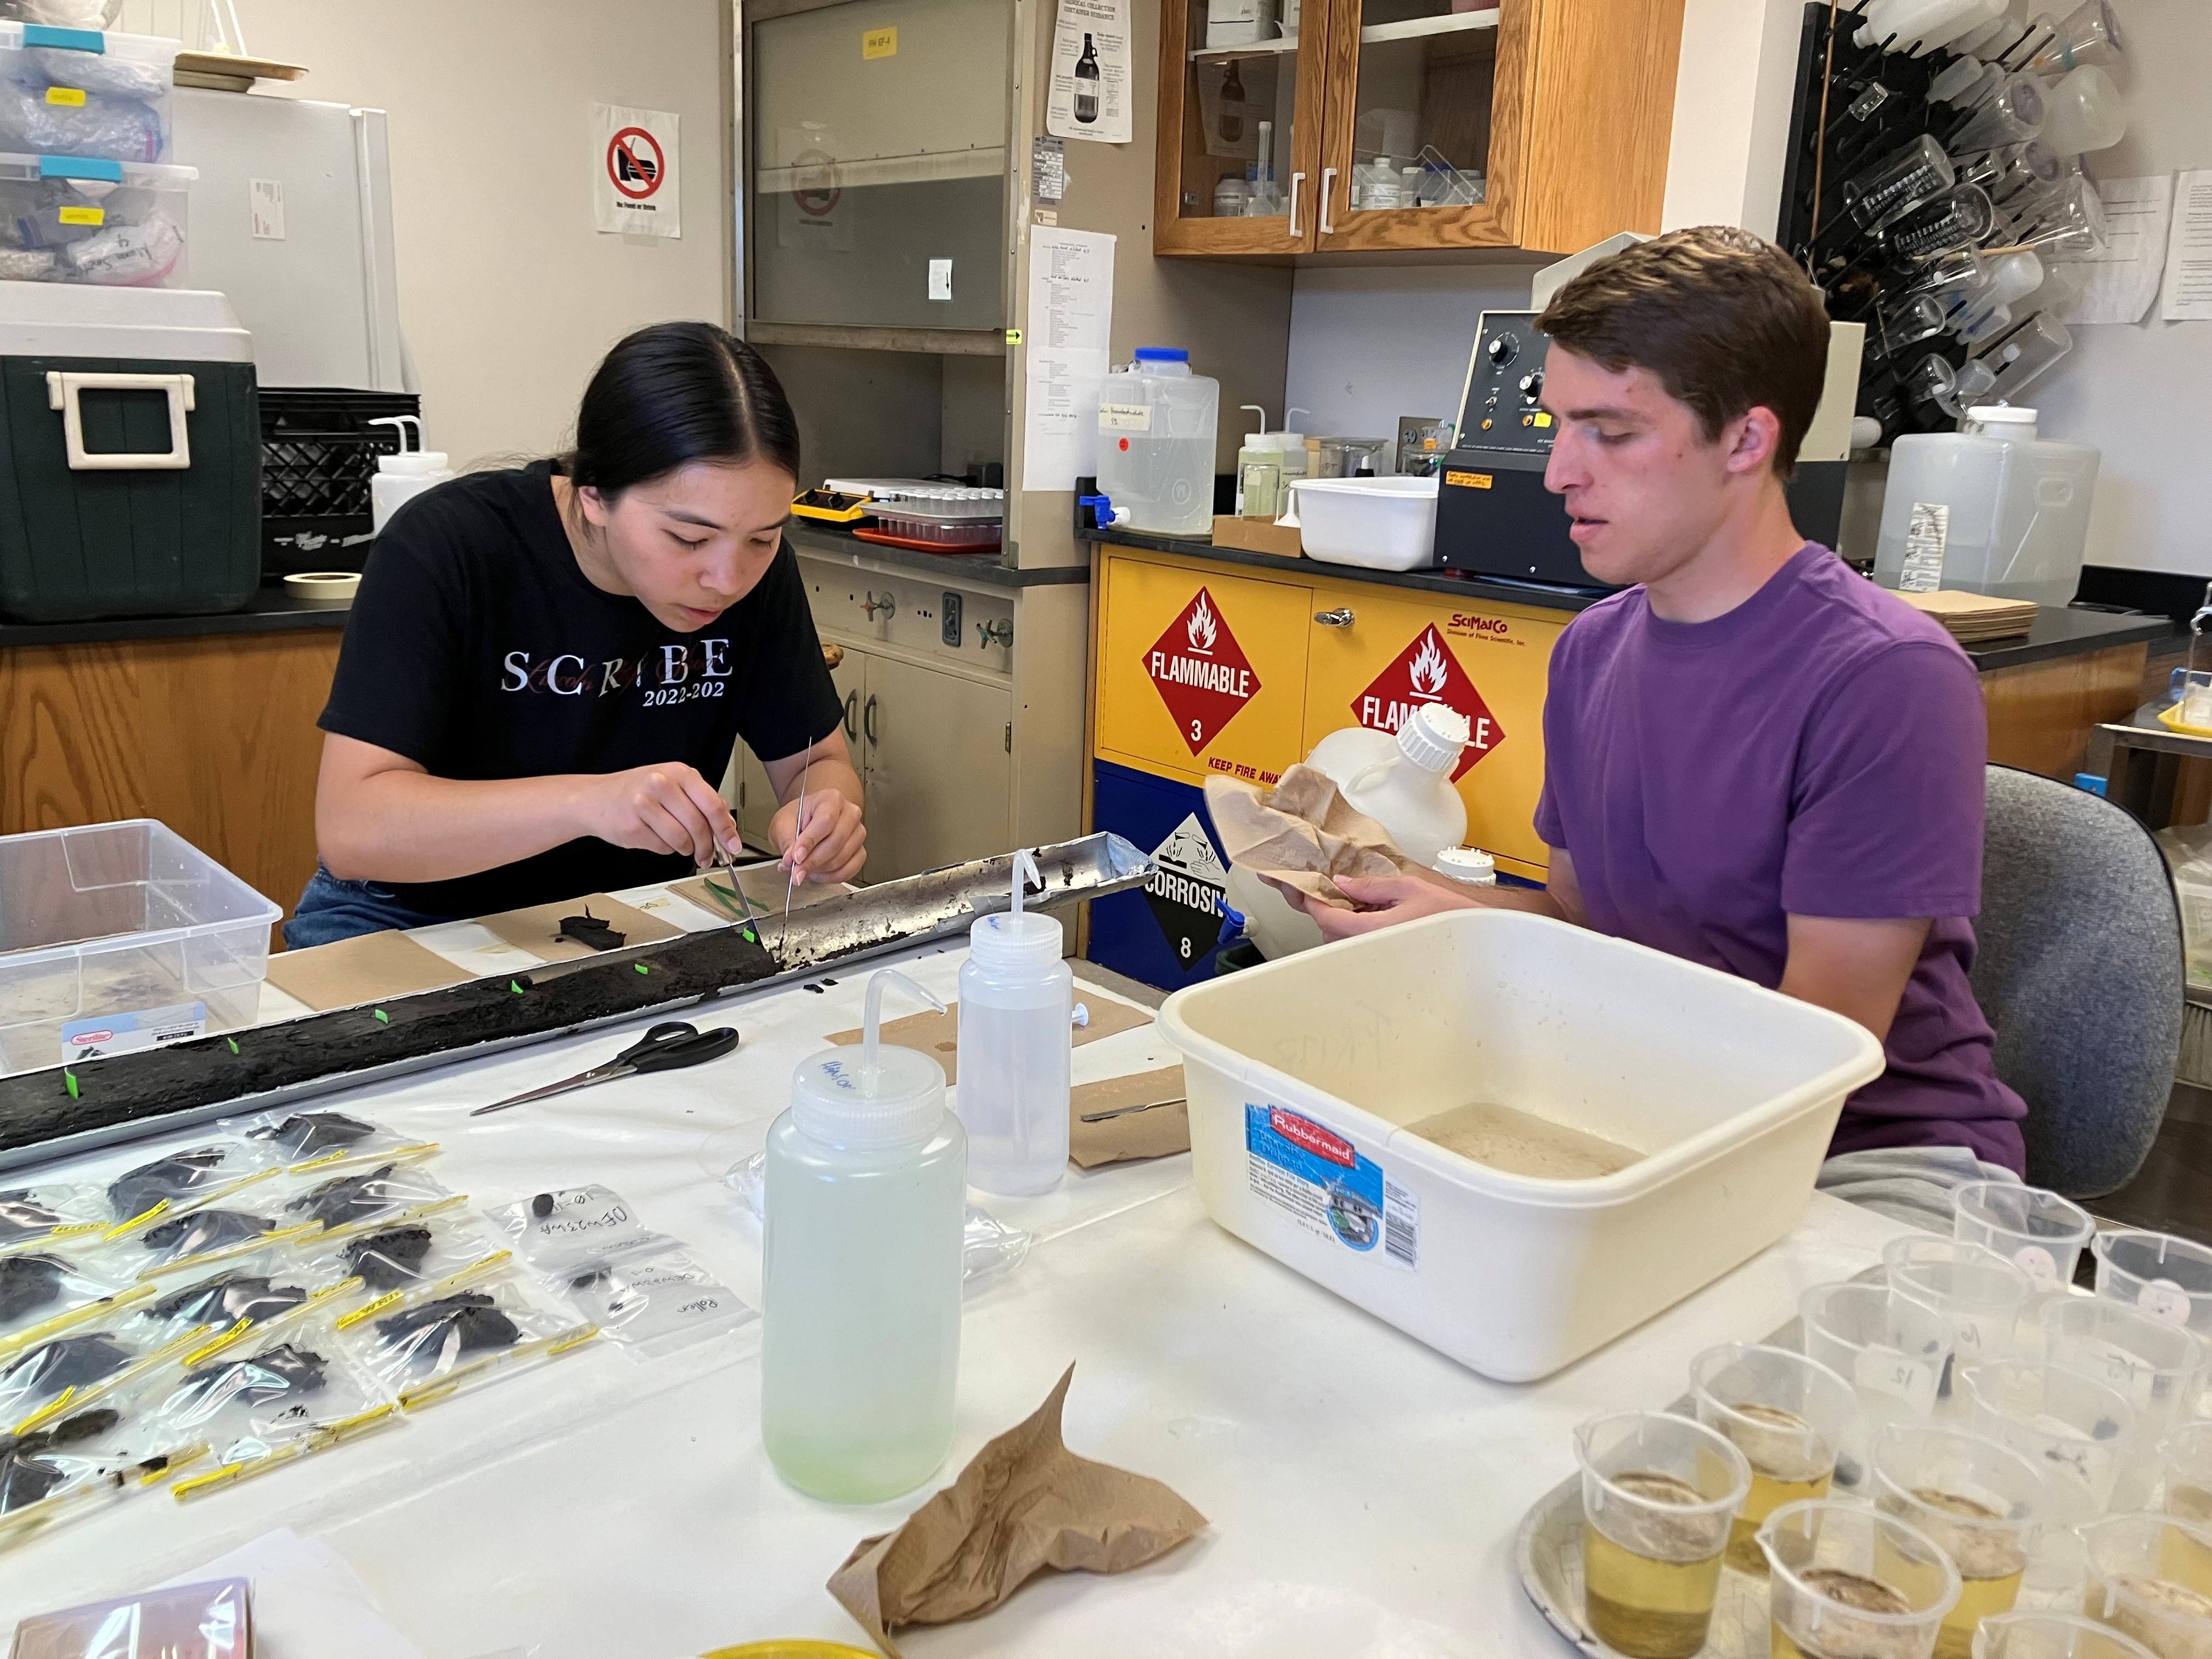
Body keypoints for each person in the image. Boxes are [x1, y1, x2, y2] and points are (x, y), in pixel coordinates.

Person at [1287, 227, 2028, 1224]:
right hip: (1648, 1112)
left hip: (1867, 1161)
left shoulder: (1884, 677)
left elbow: (1812, 1052)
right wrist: (1447, 914)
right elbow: (1593, 925)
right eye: (1559, 425)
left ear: (1746, 440)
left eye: (1611, 431)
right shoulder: (1590, 653)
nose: (1558, 473)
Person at [286, 322, 862, 948]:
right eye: (689, 539)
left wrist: (820, 816)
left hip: (628, 916)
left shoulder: (754, 575)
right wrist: (590, 804)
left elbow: (816, 761)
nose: (726, 580)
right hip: (409, 918)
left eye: (763, 537)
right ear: (593, 495)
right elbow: (353, 832)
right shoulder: (448, 546)